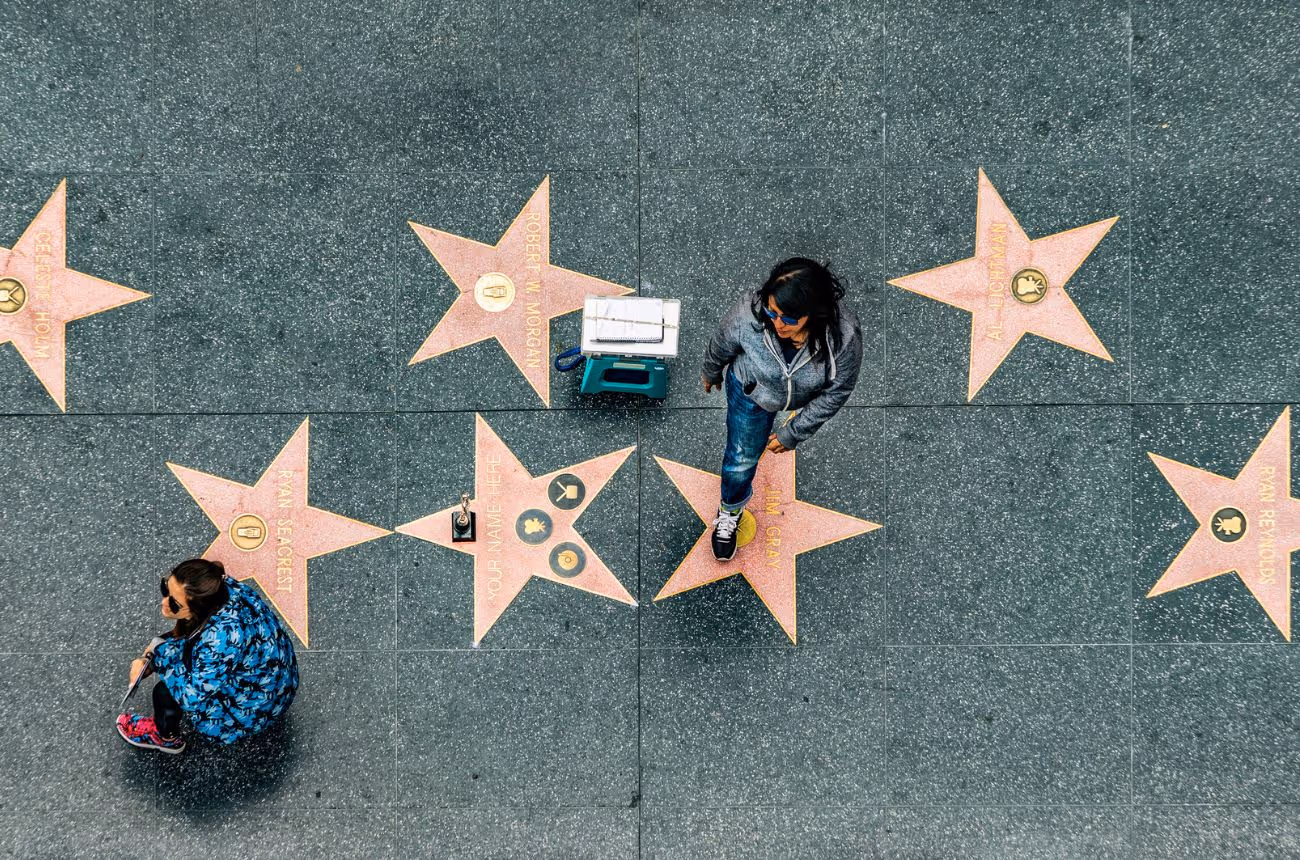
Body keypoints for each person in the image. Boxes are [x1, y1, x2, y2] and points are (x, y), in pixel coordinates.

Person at [700, 257, 863, 560]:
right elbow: (722, 341)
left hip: (797, 396)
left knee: (744, 455)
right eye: (772, 312)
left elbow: (837, 390)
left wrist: (794, 432)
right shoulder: (749, 312)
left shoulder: (844, 338)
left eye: (788, 319)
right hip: (751, 391)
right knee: (741, 458)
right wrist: (711, 370)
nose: (776, 324)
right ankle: (730, 511)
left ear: (813, 315)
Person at [116, 559, 299, 754]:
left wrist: (155, 657)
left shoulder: (220, 640)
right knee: (176, 656)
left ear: (197, 611)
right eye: (165, 588)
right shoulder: (222, 589)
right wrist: (154, 653)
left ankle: (164, 737)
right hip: (279, 681)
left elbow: (190, 697)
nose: (164, 603)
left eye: (175, 604)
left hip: (255, 710)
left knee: (165, 691)